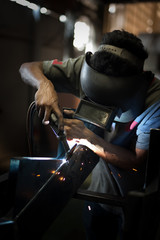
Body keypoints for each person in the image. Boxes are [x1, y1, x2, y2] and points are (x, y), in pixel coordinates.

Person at [19, 30, 160, 240]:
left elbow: (137, 161)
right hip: (98, 194)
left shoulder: (155, 102)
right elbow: (27, 67)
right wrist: (44, 84)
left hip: (133, 198)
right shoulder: (87, 67)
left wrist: (87, 137)